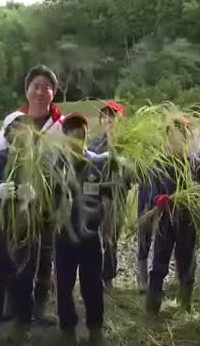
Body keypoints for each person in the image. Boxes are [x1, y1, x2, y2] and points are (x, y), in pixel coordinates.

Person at [0, 65, 64, 324]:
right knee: (14, 251)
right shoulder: (13, 120)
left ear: (53, 93)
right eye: (36, 86)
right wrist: (1, 189)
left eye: (47, 87)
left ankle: (38, 307)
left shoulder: (61, 126)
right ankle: (13, 304)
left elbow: (68, 164)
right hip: (14, 205)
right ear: (27, 90)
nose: (41, 91)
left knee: (44, 254)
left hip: (46, 204)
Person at [0, 114, 41, 346]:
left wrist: (35, 195)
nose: (20, 139)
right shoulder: (0, 158)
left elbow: (54, 190)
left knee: (25, 274)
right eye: (15, 133)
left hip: (28, 225)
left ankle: (21, 324)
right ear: (7, 136)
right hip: (2, 224)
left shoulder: (39, 162)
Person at [144, 116, 200, 316]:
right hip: (164, 220)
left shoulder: (196, 164)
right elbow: (151, 192)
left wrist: (195, 193)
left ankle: (184, 306)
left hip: (188, 222)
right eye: (172, 135)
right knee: (159, 263)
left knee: (187, 264)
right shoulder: (159, 163)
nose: (176, 139)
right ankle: (152, 307)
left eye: (181, 135)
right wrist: (158, 200)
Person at [55, 112, 109, 346]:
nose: (79, 140)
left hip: (90, 236)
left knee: (92, 284)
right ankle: (67, 329)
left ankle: (95, 329)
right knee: (64, 284)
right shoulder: (55, 165)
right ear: (65, 136)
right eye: (73, 136)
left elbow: (111, 190)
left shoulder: (97, 163)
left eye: (83, 135)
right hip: (63, 235)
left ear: (87, 136)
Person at [88, 101, 126, 290]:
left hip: (117, 197)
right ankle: (94, 275)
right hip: (97, 196)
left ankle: (108, 277)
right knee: (95, 237)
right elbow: (88, 172)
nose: (109, 119)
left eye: (113, 115)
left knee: (111, 237)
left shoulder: (128, 144)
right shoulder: (94, 144)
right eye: (105, 115)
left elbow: (133, 175)